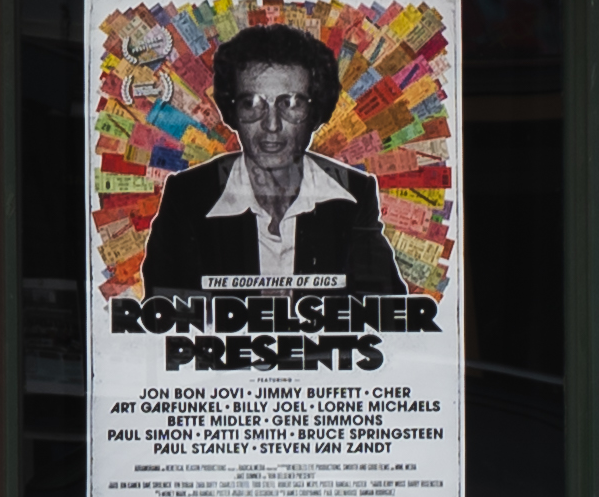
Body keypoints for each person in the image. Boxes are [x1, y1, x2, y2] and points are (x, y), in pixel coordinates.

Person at [138, 19, 408, 292]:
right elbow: (165, 313)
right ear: (232, 112)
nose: (271, 125)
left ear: (315, 113)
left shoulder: (354, 195)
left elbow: (385, 311)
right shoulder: (187, 197)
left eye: (291, 103)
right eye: (251, 104)